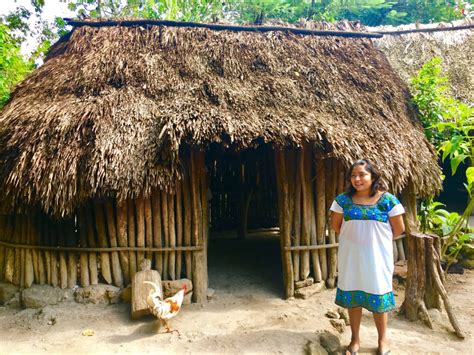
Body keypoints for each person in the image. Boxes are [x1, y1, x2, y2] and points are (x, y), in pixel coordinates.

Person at [330, 159, 405, 355]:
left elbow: (398, 229)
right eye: (353, 175)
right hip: (351, 259)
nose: (357, 179)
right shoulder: (342, 201)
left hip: (377, 260)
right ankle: (355, 340)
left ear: (373, 176)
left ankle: (383, 341)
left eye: (362, 174)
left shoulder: (388, 201)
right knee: (353, 298)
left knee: (379, 299)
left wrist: (374, 243)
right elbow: (336, 226)